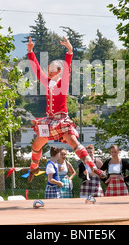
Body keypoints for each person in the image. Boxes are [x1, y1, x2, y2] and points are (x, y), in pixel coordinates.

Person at [26, 36, 105, 182]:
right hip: (49, 120)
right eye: (48, 69)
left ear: (59, 71)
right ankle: (33, 168)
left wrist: (70, 51)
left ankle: (94, 167)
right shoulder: (46, 82)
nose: (48, 71)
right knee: (36, 145)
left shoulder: (64, 82)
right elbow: (37, 70)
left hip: (61, 119)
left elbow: (68, 67)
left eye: (51, 69)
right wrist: (30, 52)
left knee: (74, 143)